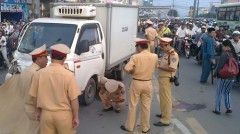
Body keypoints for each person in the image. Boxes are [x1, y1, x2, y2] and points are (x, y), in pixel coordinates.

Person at [29, 44, 80, 134]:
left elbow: (34, 96)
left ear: (51, 57)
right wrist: (76, 117)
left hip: (46, 115)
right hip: (64, 116)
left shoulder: (38, 74)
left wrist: (37, 111)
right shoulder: (68, 75)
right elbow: (74, 100)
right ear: (64, 58)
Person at [120, 39, 158, 133]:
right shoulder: (154, 56)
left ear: (140, 46)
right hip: (148, 83)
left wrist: (133, 72)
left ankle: (129, 127)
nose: (136, 49)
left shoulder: (135, 57)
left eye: (136, 47)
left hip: (136, 82)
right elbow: (155, 66)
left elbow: (126, 68)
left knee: (132, 106)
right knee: (146, 106)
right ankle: (145, 127)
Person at [19, 45, 48, 134]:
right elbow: (38, 95)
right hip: (35, 108)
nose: (47, 60)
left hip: (26, 106)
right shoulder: (38, 73)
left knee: (32, 129)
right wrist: (38, 110)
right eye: (45, 57)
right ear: (39, 58)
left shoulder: (25, 70)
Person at [154, 37, 179, 127]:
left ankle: (165, 120)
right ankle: (164, 113)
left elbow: (172, 68)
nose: (161, 47)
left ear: (168, 45)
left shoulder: (173, 55)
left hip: (166, 78)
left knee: (166, 99)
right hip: (162, 78)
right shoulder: (167, 53)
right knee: (163, 98)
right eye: (160, 45)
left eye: (162, 46)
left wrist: (159, 66)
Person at [213, 40, 238, 115]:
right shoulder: (234, 53)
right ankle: (229, 107)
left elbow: (220, 66)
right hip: (232, 76)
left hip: (223, 76)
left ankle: (218, 109)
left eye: (223, 46)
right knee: (227, 92)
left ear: (227, 46)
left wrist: (215, 74)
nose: (222, 47)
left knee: (219, 92)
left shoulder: (224, 54)